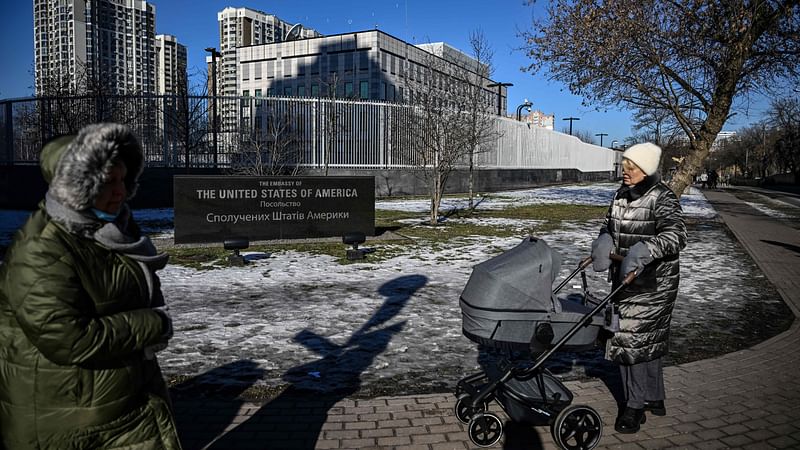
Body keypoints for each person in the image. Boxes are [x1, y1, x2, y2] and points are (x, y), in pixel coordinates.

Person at [0, 124, 182, 449]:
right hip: (71, 414)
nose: (121, 191)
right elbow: (69, 339)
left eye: (124, 180)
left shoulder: (102, 229)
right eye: (108, 182)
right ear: (77, 188)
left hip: (108, 398)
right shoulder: (41, 250)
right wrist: (153, 323)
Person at [590, 142, 687, 434]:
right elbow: (608, 226)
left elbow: (677, 235)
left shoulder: (662, 197)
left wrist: (645, 249)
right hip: (625, 277)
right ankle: (654, 397)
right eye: (624, 165)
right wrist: (605, 241)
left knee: (627, 338)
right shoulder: (620, 196)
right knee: (647, 339)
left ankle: (634, 406)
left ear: (646, 169)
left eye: (631, 166)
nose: (625, 171)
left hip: (655, 281)